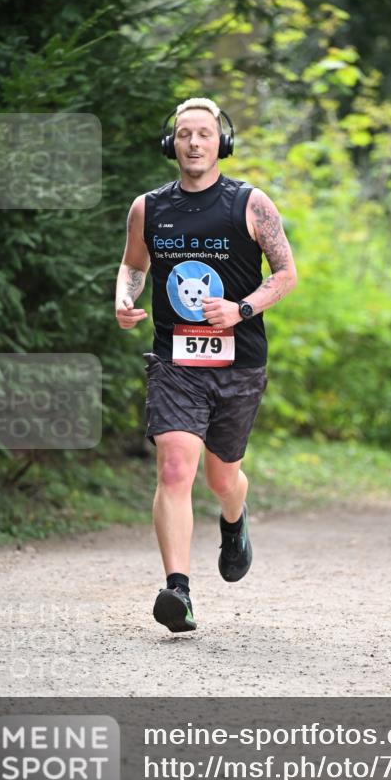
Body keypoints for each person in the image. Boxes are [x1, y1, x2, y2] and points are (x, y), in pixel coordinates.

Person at [114, 97, 297, 634]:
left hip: (239, 364)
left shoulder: (250, 203)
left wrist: (240, 310)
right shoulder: (148, 208)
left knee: (223, 477)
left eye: (205, 133)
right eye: (185, 134)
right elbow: (133, 263)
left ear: (222, 142)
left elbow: (285, 274)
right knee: (174, 468)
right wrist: (125, 298)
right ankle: (179, 592)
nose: (194, 142)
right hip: (175, 360)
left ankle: (235, 521)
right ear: (171, 143)